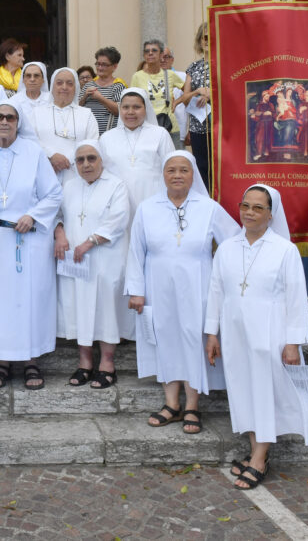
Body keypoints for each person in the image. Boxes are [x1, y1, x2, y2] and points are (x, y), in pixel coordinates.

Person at [205, 184, 308, 490]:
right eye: (245, 206)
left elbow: (296, 298)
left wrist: (293, 342)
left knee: (266, 392)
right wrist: (211, 332)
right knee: (245, 390)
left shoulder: (285, 249)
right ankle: (256, 450)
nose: (250, 213)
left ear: (271, 214)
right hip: (235, 332)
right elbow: (216, 291)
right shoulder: (227, 247)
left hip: (271, 333)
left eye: (258, 208)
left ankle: (259, 458)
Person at [126, 151, 239, 433]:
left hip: (198, 287)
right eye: (171, 170)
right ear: (163, 175)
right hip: (157, 287)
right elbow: (135, 250)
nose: (177, 175)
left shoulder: (208, 207)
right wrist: (136, 291)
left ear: (193, 175)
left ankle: (192, 405)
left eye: (184, 170)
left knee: (192, 340)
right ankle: (170, 404)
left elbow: (233, 242)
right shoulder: (147, 207)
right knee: (164, 340)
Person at [0, 103, 62, 390]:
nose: (4, 121)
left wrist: (32, 216)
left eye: (10, 117)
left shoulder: (34, 154)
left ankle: (31, 360)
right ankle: (1, 361)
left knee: (28, 300)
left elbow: (54, 193)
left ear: (19, 122)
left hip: (27, 239)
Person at [54, 142, 130, 388]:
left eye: (91, 158)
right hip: (75, 262)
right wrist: (60, 234)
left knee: (105, 307)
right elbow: (58, 215)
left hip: (104, 258)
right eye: (80, 160)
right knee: (78, 306)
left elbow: (118, 220)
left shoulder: (115, 185)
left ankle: (107, 363)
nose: (85, 164)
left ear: (101, 160)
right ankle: (84, 362)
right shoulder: (68, 185)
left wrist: (90, 242)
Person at [97, 88, 175, 219]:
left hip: (153, 199)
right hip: (117, 202)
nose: (130, 112)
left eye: (137, 107)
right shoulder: (106, 137)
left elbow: (171, 168)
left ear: (146, 108)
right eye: (125, 107)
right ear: (120, 109)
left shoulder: (160, 134)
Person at [27, 68, 99, 185]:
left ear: (75, 87)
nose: (64, 87)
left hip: (76, 174)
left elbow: (92, 142)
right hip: (45, 171)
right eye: (59, 83)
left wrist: (68, 159)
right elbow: (29, 139)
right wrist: (51, 155)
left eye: (69, 84)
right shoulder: (37, 113)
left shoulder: (87, 114)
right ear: (52, 87)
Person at [173, 23, 213, 190]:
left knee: (220, 168)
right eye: (204, 37)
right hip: (198, 127)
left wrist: (213, 94)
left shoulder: (227, 63)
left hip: (221, 127)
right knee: (202, 169)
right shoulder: (194, 67)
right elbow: (185, 99)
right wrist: (198, 90)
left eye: (211, 37)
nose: (207, 41)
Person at [130, 40, 184, 138]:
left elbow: (187, 90)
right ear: (144, 55)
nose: (150, 53)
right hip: (146, 126)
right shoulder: (137, 76)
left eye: (154, 50)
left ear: (161, 54)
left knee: (174, 154)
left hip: (169, 126)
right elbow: (131, 100)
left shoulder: (170, 74)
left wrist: (177, 101)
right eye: (147, 51)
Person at [79, 47, 126, 134]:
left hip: (108, 136)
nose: (99, 68)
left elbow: (120, 111)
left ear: (114, 66)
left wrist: (100, 98)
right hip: (87, 134)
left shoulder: (118, 86)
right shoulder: (88, 85)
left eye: (104, 65)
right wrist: (84, 96)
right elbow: (76, 109)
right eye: (98, 64)